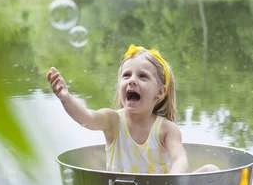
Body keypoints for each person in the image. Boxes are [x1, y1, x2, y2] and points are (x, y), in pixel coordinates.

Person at [47, 44, 219, 174]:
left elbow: (179, 158)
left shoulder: (166, 129)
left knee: (210, 170)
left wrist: (174, 180)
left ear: (160, 92)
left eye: (143, 76)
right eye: (126, 75)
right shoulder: (113, 121)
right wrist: (66, 98)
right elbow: (87, 118)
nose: (132, 80)